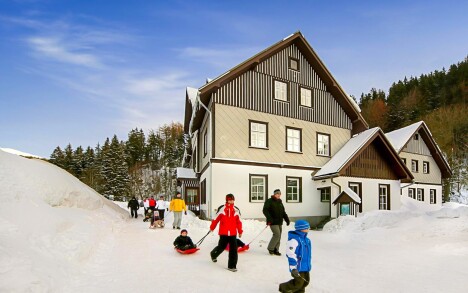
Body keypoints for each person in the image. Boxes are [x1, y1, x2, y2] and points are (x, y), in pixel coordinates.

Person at [209, 194, 243, 272]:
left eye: (232, 200)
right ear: (227, 200)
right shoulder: (222, 209)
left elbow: (239, 222)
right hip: (223, 233)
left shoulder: (236, 210)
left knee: (234, 250)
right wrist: (212, 228)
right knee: (221, 247)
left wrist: (240, 231)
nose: (231, 201)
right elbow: (216, 219)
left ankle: (232, 266)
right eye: (230, 199)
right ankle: (213, 254)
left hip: (233, 233)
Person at [279, 220, 312, 293]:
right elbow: (290, 254)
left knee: (305, 282)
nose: (309, 228)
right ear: (301, 229)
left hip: (305, 266)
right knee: (298, 283)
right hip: (297, 266)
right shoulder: (294, 240)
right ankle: (283, 287)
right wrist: (293, 268)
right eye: (307, 227)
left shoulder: (306, 240)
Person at [263, 188, 290, 255]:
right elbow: (265, 210)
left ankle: (276, 249)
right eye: (277, 194)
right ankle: (271, 248)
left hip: (279, 221)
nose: (278, 195)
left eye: (279, 194)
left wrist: (287, 219)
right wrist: (269, 218)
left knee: (279, 236)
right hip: (272, 222)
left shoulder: (280, 202)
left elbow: (283, 212)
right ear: (274, 194)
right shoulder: (269, 201)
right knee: (277, 234)